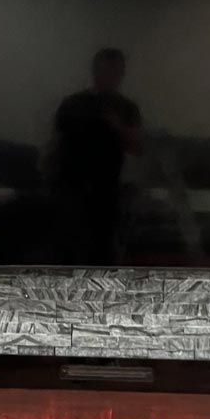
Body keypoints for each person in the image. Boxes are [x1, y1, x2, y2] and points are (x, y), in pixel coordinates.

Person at [51, 48, 142, 262]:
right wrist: (50, 176)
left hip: (106, 190)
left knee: (101, 252)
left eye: (114, 72)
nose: (108, 77)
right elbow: (55, 142)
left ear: (121, 74)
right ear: (94, 71)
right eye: (103, 71)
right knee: (66, 249)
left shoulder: (127, 108)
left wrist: (117, 126)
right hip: (70, 187)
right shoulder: (72, 104)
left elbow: (137, 148)